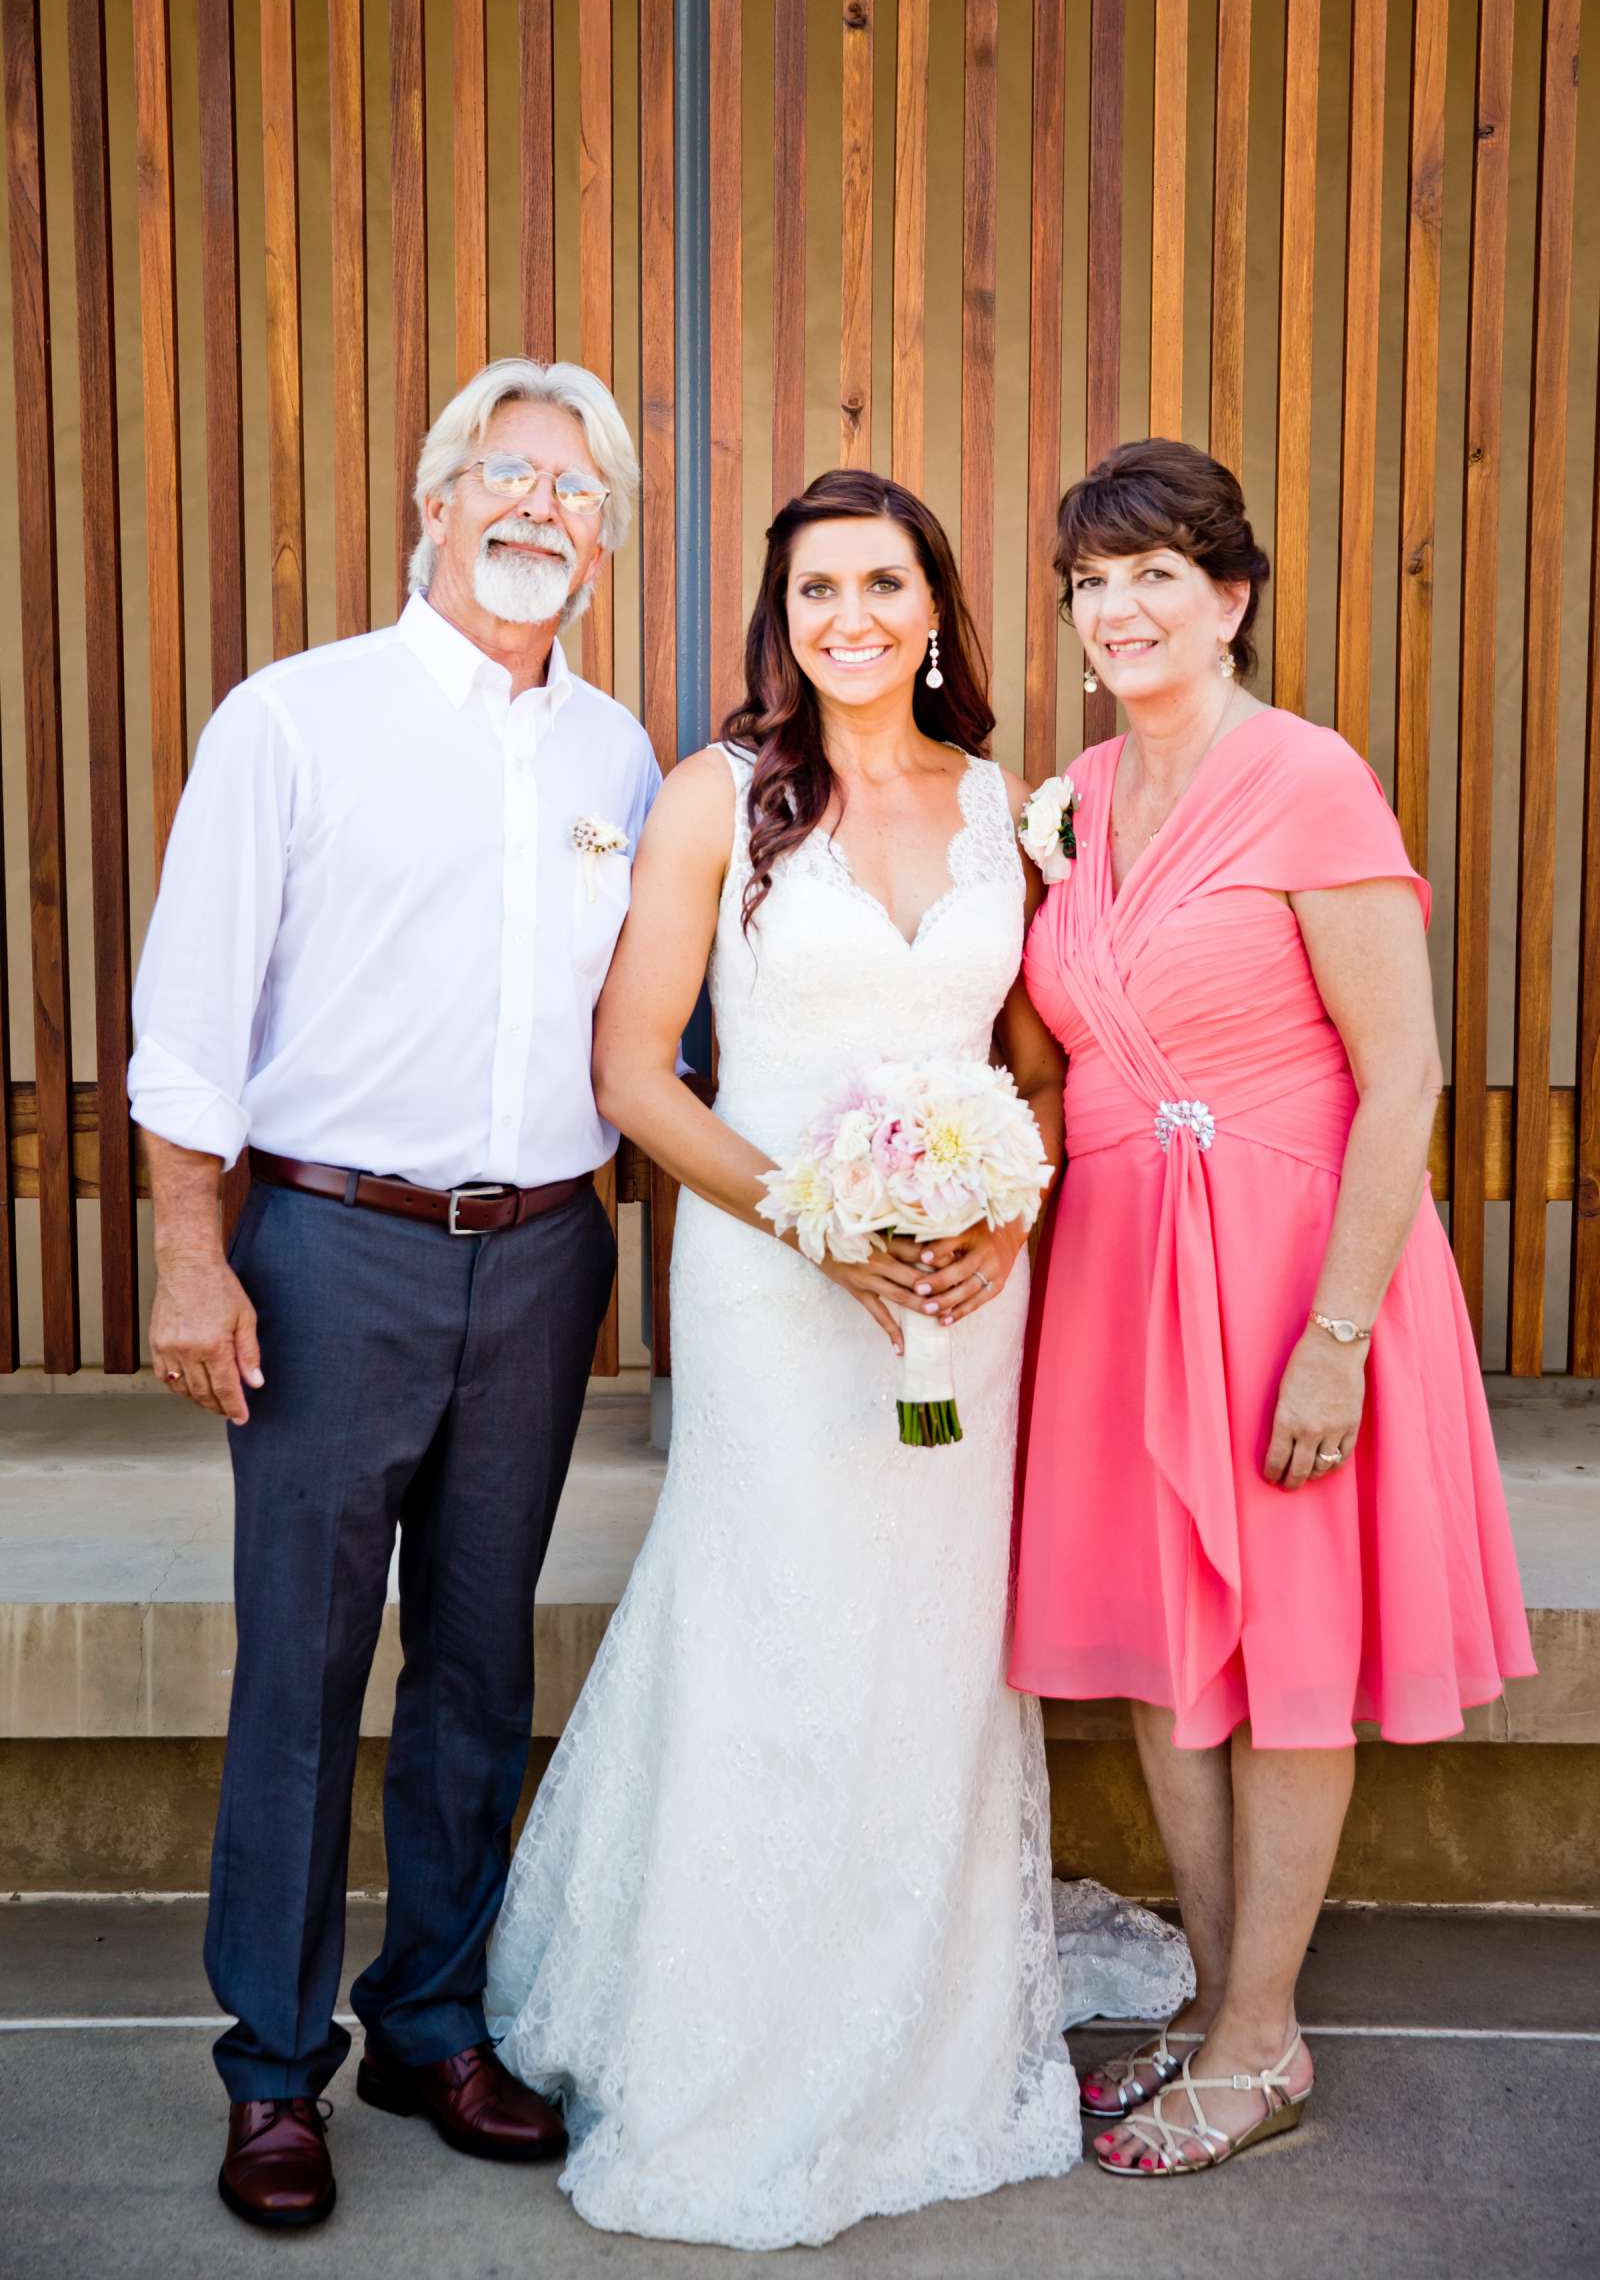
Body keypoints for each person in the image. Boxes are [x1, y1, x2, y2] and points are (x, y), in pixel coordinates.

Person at [485, 469, 1191, 2249]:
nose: (850, 618)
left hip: (962, 1282)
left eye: (883, 583)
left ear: (937, 607)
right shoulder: (718, 798)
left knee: (932, 1633)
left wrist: (1002, 1217)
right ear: (780, 621)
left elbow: (1041, 1066)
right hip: (769, 1271)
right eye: (816, 591)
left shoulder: (1006, 816)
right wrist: (813, 1216)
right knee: (775, 1610)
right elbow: (637, 1071)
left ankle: (923, 1998)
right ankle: (726, 2012)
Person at [129, 358, 659, 2229]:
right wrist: (193, 1254)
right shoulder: (295, 720)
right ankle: (274, 2075)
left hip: (541, 1257)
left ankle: (434, 2017)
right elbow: (192, 1016)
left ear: (605, 545)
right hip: (331, 1247)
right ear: (432, 504)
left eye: (580, 492)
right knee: (303, 1668)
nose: (540, 510)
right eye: (507, 474)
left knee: (477, 1666)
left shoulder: (622, 758)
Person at [1009, 437, 1537, 2177]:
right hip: (1122, 1279)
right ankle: (1230, 1998)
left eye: (1162, 569)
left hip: (1292, 1277)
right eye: (1096, 580)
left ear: (1230, 599)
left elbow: (1406, 1078)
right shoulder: (1073, 801)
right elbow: (1041, 1046)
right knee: (1176, 1657)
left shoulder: (1309, 778)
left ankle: (1257, 2046)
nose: (1125, 605)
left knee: (1289, 1654)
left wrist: (1341, 1334)